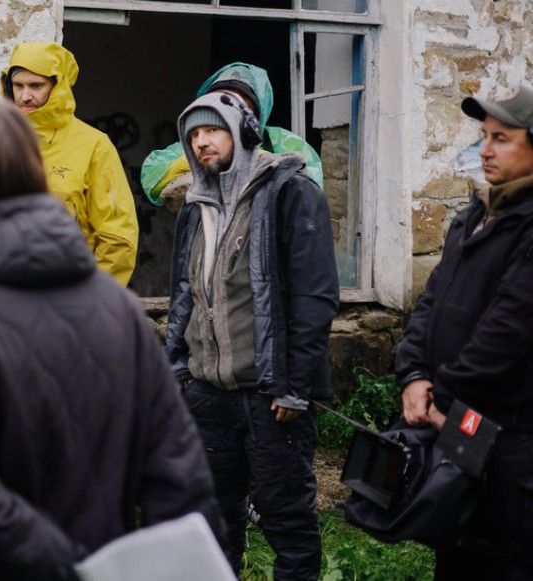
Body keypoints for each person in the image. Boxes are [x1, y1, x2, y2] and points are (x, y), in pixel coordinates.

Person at [0, 98, 224, 581]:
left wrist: (64, 567)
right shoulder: (120, 310)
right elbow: (180, 478)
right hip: (101, 555)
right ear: (35, 174)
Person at [166, 90, 339, 579]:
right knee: (213, 523)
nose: (202, 142)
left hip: (270, 398)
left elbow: (315, 295)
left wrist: (295, 385)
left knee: (287, 520)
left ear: (243, 132)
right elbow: (184, 294)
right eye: (194, 134)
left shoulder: (290, 192)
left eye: (213, 130)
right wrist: (179, 369)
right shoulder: (195, 207)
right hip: (207, 396)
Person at [396, 84, 533, 579]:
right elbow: (430, 302)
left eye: (502, 138)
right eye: (483, 136)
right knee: (456, 543)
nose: (485, 150)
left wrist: (444, 397)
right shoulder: (472, 217)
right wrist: (412, 373)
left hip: (510, 434)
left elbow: (508, 329)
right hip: (457, 423)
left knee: (505, 551)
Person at [0, 42, 139, 286]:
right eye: (18, 86)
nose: (25, 96)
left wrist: (89, 301)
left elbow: (118, 238)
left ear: (58, 86)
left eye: (36, 86)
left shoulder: (94, 146)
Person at [141, 62, 324, 212]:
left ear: (257, 109)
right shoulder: (201, 142)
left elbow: (307, 196)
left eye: (241, 103)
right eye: (224, 102)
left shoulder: (281, 141)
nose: (232, 111)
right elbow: (152, 180)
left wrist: (253, 158)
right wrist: (200, 160)